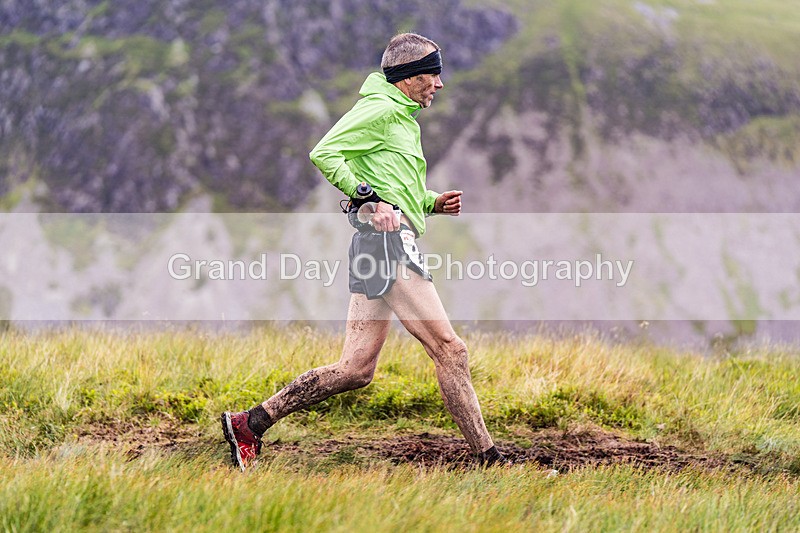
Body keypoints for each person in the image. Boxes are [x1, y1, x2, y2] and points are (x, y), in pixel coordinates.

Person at [221, 32, 509, 471]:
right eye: (434, 74)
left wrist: (430, 202)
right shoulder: (379, 110)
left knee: (356, 369)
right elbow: (325, 152)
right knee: (451, 351)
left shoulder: (401, 118)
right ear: (409, 77)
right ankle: (490, 460)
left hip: (377, 245)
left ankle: (250, 424)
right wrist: (369, 199)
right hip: (387, 247)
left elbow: (390, 181)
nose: (439, 84)